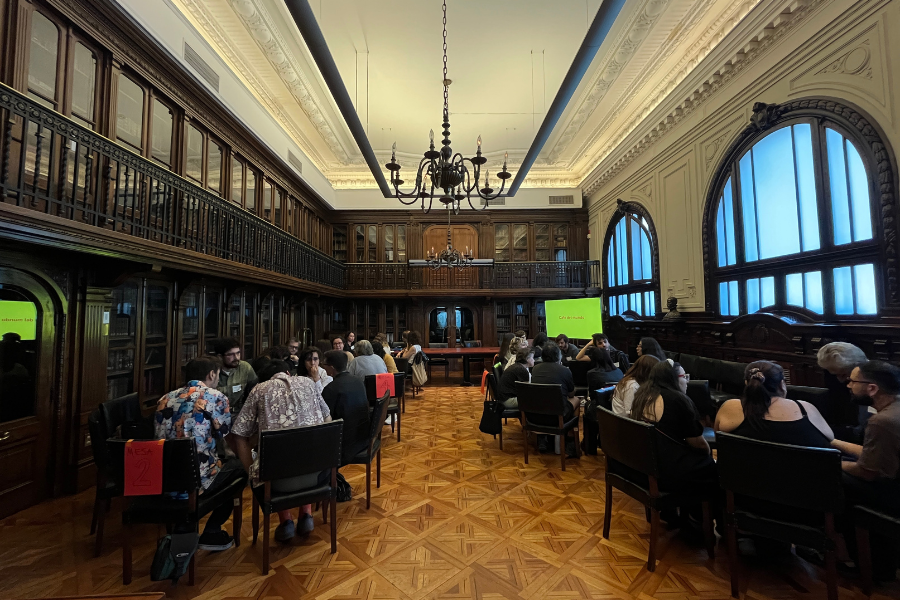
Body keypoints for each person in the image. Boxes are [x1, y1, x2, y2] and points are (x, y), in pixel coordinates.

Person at [232, 360, 332, 543]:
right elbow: (328, 419)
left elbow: (239, 434)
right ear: (288, 372)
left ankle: (285, 520)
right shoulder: (308, 383)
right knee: (304, 451)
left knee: (276, 458)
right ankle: (306, 514)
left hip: (277, 482)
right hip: (318, 474)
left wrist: (251, 474)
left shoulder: (259, 390)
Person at [155, 357, 246, 551]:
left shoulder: (164, 398)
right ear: (212, 374)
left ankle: (184, 527)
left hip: (164, 479)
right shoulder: (214, 396)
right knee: (241, 469)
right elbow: (226, 435)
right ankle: (212, 530)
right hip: (198, 478)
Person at [831, 361, 900, 580]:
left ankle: (850, 557)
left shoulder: (881, 421)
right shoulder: (894, 409)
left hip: (893, 492)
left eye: (852, 381)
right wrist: (832, 442)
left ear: (872, 388)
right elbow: (873, 454)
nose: (848, 385)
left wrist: (829, 463)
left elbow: (868, 471)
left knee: (828, 478)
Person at [629, 361, 717, 490]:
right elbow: (698, 444)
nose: (687, 381)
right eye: (684, 377)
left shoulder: (642, 395)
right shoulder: (676, 399)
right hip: (668, 472)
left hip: (643, 466)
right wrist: (709, 455)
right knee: (713, 468)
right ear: (673, 379)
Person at [715, 361, 833, 447]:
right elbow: (830, 439)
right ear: (782, 384)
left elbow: (717, 439)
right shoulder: (805, 409)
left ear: (747, 383)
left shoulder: (730, 407)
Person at [321, 350, 371, 466]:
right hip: (363, 438)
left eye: (324, 365)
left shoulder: (331, 389)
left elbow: (325, 419)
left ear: (331, 367)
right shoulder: (358, 380)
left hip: (345, 445)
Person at [532, 342, 580, 455]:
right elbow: (571, 394)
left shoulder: (535, 369)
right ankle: (570, 438)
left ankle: (542, 438)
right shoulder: (565, 370)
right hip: (557, 417)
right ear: (559, 356)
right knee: (577, 400)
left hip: (534, 416)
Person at [817, 342, 870, 439]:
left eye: (844, 375)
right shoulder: (832, 375)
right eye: (834, 374)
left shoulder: (874, 381)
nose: (840, 380)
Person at [214, 337, 258, 417]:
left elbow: (255, 390)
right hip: (217, 415)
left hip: (239, 413)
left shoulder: (245, 367)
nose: (236, 358)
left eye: (238, 353)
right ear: (220, 357)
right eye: (231, 355)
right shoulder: (212, 371)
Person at [496, 345, 534, 409]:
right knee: (536, 401)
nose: (534, 360)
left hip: (503, 398)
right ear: (527, 359)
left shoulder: (516, 366)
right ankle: (528, 418)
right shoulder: (521, 370)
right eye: (532, 358)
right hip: (507, 401)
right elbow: (526, 391)